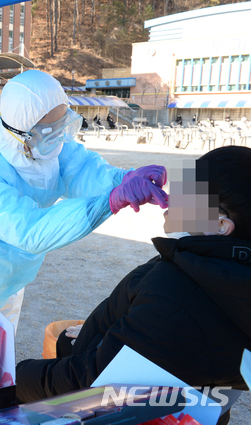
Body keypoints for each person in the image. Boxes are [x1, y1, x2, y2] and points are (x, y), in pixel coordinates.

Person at [16, 146, 251, 425]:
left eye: (192, 192)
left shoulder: (178, 297)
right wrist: (103, 331)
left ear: (222, 225)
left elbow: (88, 385)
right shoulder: (216, 272)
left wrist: (18, 375)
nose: (173, 196)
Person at [0, 70, 168, 328]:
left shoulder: (46, 140)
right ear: (21, 132)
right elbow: (28, 229)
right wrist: (109, 201)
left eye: (63, 124)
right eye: (50, 130)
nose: (59, 135)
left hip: (7, 272)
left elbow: (81, 170)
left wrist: (121, 179)